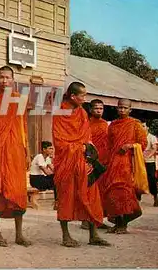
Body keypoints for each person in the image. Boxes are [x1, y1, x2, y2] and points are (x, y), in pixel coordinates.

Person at [53, 82, 110, 247]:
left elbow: (87, 137)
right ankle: (66, 236)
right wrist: (80, 147)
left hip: (84, 162)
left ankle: (94, 235)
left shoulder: (83, 113)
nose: (85, 99)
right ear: (73, 96)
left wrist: (88, 153)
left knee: (91, 196)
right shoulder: (61, 113)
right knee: (66, 197)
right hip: (67, 162)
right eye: (83, 95)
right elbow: (59, 141)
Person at [0, 66, 31, 248]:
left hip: (16, 151)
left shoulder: (19, 100)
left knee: (18, 193)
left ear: (13, 79)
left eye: (7, 77)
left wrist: (28, 153)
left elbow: (23, 127)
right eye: (1, 77)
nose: (4, 81)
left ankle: (19, 234)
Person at [101, 98, 147, 234]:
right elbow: (108, 144)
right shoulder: (113, 125)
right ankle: (118, 222)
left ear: (130, 110)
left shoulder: (135, 124)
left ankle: (123, 224)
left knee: (124, 192)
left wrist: (130, 146)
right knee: (112, 192)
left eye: (125, 108)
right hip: (113, 162)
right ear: (117, 108)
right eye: (120, 107)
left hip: (127, 163)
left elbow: (143, 144)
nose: (122, 110)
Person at [81, 99, 110, 230]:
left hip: (103, 161)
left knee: (101, 192)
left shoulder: (105, 124)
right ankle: (86, 220)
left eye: (101, 108)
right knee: (89, 191)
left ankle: (98, 219)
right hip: (91, 161)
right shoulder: (86, 123)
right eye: (96, 108)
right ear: (91, 110)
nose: (99, 110)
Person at [140, 122, 158, 207]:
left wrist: (148, 156)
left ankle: (155, 196)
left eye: (143, 126)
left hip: (149, 162)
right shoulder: (137, 137)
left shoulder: (152, 137)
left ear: (147, 127)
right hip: (139, 161)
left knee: (151, 180)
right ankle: (138, 199)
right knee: (138, 180)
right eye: (140, 126)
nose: (142, 128)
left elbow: (154, 149)